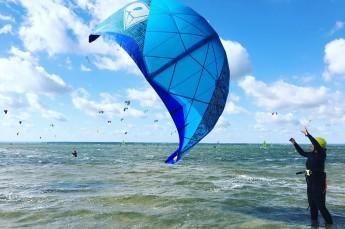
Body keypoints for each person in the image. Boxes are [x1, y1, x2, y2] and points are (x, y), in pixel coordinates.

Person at [290, 128, 333, 226]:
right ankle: (314, 225)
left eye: (312, 145)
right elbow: (302, 153)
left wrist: (307, 134)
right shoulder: (311, 154)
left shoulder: (322, 154)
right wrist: (294, 143)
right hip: (310, 183)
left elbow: (316, 145)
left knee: (321, 206)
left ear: (318, 146)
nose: (310, 146)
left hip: (319, 184)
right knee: (312, 205)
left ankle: (330, 225)